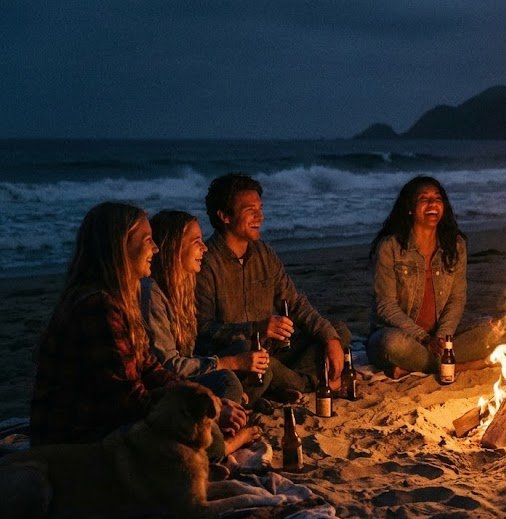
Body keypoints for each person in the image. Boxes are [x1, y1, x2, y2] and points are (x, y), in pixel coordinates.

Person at [30, 202, 248, 460]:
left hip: (107, 423)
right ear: (120, 247)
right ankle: (221, 447)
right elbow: (129, 402)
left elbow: (151, 368)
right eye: (147, 240)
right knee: (200, 433)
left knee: (214, 403)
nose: (155, 249)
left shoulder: (118, 298)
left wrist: (208, 401)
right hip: (79, 441)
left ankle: (216, 441)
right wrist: (200, 410)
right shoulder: (97, 305)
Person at [196, 174, 351, 399]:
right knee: (263, 366)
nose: (260, 215)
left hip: (275, 351)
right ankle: (309, 383)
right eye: (250, 209)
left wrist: (330, 339)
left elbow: (295, 303)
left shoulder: (264, 254)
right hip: (240, 357)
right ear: (224, 216)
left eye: (260, 208)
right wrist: (255, 328)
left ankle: (283, 384)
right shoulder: (207, 262)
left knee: (337, 331)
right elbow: (203, 329)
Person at [368, 176, 500, 378]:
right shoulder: (390, 247)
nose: (432, 203)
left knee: (495, 330)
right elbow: (386, 306)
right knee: (391, 344)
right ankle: (456, 366)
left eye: (437, 198)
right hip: (404, 337)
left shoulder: (455, 246)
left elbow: (457, 299)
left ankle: (416, 367)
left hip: (440, 337)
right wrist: (423, 338)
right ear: (410, 208)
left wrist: (441, 339)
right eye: (424, 198)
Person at [143, 210, 270, 403]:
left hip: (185, 373)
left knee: (253, 357)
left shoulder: (184, 288)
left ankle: (240, 401)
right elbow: (168, 366)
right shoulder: (152, 293)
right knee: (227, 380)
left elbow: (191, 354)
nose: (204, 248)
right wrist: (232, 363)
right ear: (174, 248)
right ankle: (229, 410)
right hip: (165, 385)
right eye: (196, 242)